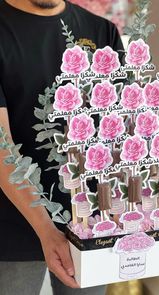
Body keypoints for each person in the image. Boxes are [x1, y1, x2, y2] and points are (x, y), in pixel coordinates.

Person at [0, 0, 124, 294]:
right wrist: (46, 229)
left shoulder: (102, 32)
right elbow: (1, 147)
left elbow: (119, 133)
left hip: (92, 222)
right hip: (10, 225)